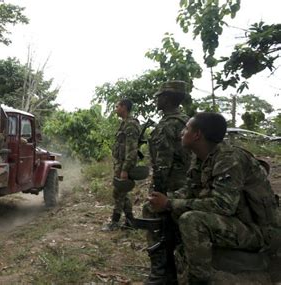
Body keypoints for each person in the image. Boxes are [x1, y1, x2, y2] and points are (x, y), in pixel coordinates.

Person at [148, 112, 277, 284]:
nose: (182, 132)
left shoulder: (229, 159)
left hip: (257, 230)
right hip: (233, 221)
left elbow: (223, 205)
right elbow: (190, 190)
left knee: (191, 220)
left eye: (186, 128)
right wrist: (163, 200)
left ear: (197, 135)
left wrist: (170, 203)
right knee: (152, 207)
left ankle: (199, 279)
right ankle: (164, 272)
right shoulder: (201, 158)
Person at [144, 80, 191, 284]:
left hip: (172, 187)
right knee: (175, 230)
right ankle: (174, 271)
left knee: (155, 219)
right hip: (185, 185)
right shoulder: (185, 121)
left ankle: (161, 273)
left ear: (169, 98)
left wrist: (158, 193)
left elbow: (164, 164)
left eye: (160, 96)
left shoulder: (170, 124)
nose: (157, 99)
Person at [102, 98, 140, 231]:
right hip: (120, 164)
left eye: (117, 106)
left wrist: (125, 169)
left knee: (118, 193)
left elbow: (132, 149)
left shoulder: (130, 124)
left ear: (124, 107)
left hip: (125, 165)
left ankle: (115, 222)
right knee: (122, 193)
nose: (116, 109)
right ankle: (130, 221)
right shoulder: (124, 124)